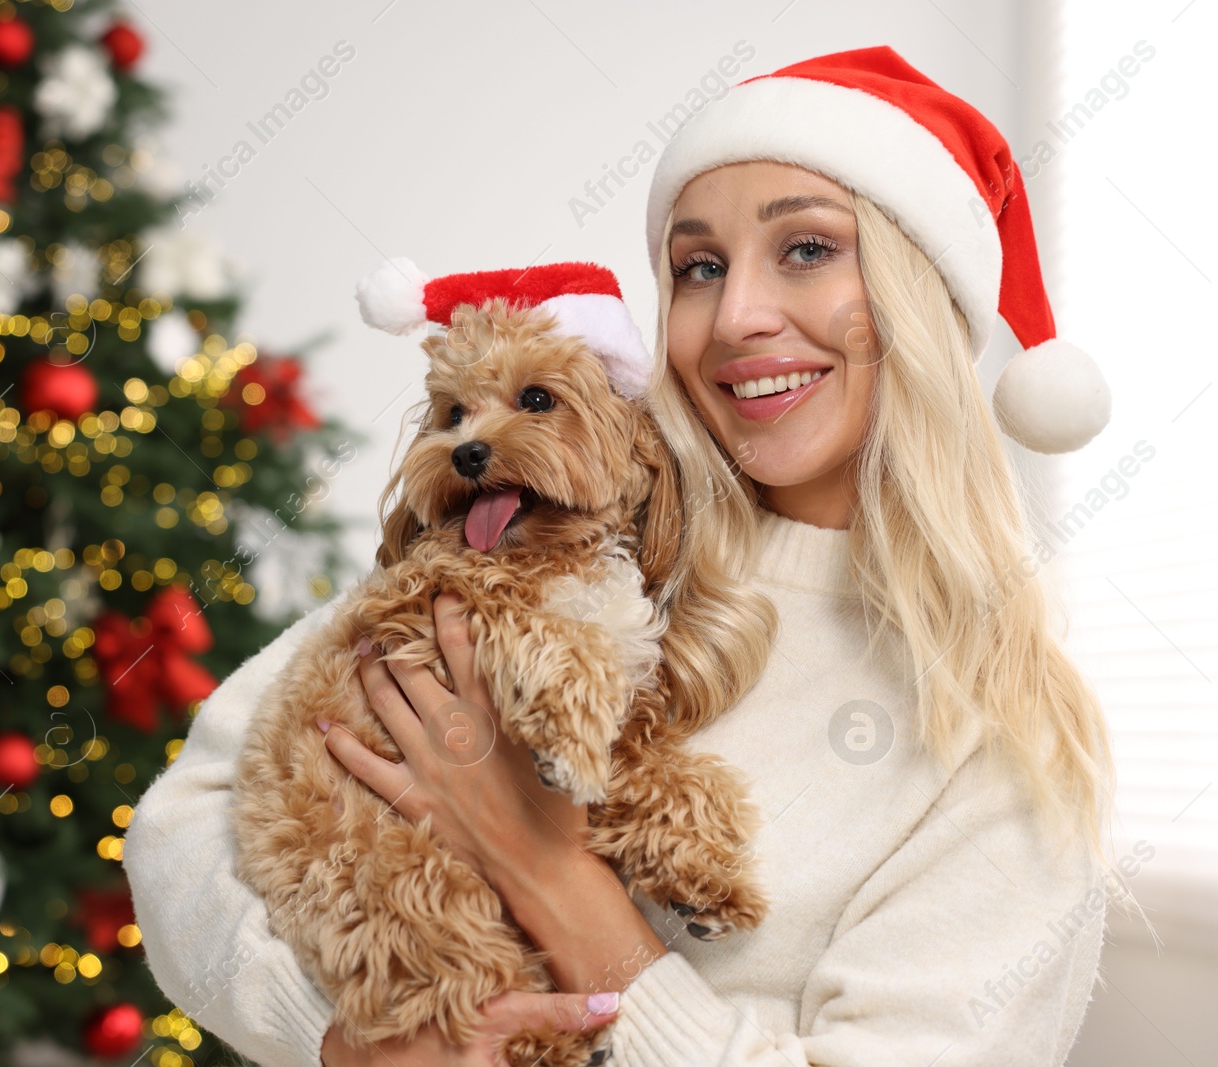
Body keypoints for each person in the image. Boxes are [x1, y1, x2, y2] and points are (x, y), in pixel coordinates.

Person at [124, 45, 1123, 1067]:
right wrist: (347, 1039)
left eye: (808, 249)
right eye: (698, 266)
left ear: (919, 297)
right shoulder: (552, 538)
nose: (735, 315)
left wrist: (549, 872)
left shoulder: (1000, 743)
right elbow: (179, 829)